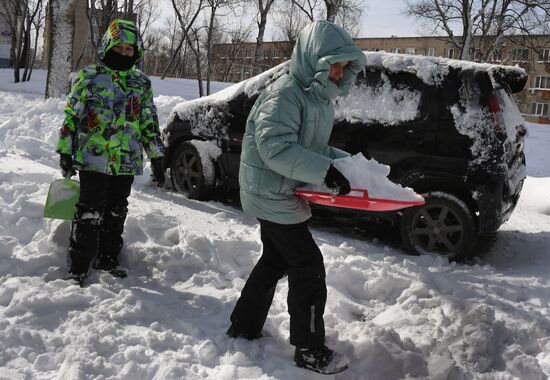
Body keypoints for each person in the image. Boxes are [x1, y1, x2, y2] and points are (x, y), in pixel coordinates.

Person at [226, 21, 366, 375]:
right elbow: (276, 149)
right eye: (333, 64)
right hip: (271, 191)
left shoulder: (317, 98)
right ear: (312, 59)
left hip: (279, 189)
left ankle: (244, 324)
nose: (338, 73)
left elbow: (313, 148)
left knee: (275, 259)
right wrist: (324, 171)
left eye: (343, 67)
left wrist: (346, 165)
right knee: (308, 266)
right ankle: (309, 347)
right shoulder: (285, 95)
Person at [56, 19, 165, 287]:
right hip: (94, 158)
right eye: (121, 47)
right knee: (89, 211)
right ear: (108, 45)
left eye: (130, 50)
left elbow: (148, 122)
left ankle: (108, 258)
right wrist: (65, 150)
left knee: (117, 210)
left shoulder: (141, 83)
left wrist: (157, 155)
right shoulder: (89, 77)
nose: (125, 53)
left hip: (125, 160)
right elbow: (72, 117)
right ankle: (79, 265)